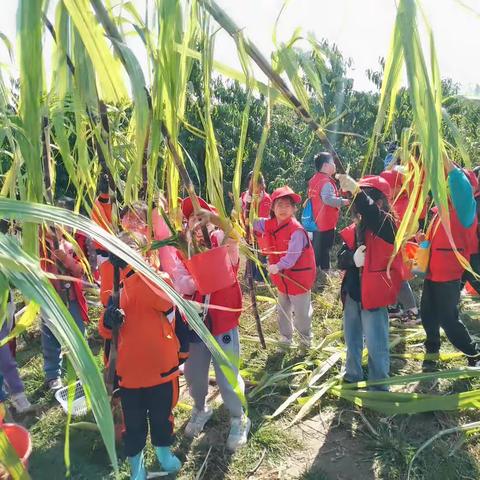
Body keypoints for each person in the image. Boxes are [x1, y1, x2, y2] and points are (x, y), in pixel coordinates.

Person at [101, 232, 189, 479]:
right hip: (128, 374)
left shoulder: (158, 279)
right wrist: (109, 319)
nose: (126, 254)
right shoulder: (115, 289)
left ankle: (164, 456)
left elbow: (164, 302)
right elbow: (105, 331)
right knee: (133, 424)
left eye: (132, 249)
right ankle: (137, 469)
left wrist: (132, 271)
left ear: (146, 254)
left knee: (163, 416)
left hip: (161, 370)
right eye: (122, 250)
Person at [172, 197, 249, 451]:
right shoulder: (184, 248)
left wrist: (215, 219)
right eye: (191, 217)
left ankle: (239, 417)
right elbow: (179, 278)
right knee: (194, 373)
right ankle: (200, 408)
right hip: (195, 323)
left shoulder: (219, 242)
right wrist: (189, 283)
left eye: (200, 215)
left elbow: (235, 236)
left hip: (223, 321)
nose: (196, 221)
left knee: (227, 373)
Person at [337, 174, 403, 389]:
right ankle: (352, 373)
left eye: (361, 200)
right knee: (352, 338)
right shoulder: (355, 229)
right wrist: (352, 259)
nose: (356, 207)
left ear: (381, 201)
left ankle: (379, 383)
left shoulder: (388, 226)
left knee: (376, 343)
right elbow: (340, 259)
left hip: (373, 296)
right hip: (353, 293)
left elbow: (374, 214)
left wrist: (358, 193)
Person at [419, 159, 480, 368]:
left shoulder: (465, 211)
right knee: (427, 313)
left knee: (448, 319)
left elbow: (458, 182)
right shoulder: (443, 211)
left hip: (448, 274)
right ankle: (432, 350)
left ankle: (472, 351)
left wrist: (441, 158)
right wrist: (422, 242)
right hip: (432, 271)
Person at [253, 186, 316, 350]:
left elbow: (292, 256)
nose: (283, 209)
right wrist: (245, 209)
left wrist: (277, 266)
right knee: (283, 310)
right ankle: (286, 338)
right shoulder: (270, 224)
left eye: (288, 205)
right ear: (272, 208)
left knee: (302, 313)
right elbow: (253, 222)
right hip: (282, 279)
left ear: (294, 209)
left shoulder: (297, 231)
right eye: (279, 205)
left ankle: (305, 340)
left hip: (298, 279)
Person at [40, 225, 89, 390]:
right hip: (50, 301)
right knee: (51, 337)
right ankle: (53, 374)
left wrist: (65, 259)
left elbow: (80, 270)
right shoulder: (38, 248)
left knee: (78, 335)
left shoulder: (69, 247)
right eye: (46, 226)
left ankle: (84, 371)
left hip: (71, 299)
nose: (52, 231)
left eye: (56, 227)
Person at [380, 169, 419, 324]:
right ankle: (394, 306)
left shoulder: (404, 203)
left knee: (400, 279)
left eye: (389, 186)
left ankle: (413, 311)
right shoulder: (393, 201)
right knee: (391, 277)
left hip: (400, 249)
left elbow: (410, 227)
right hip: (392, 248)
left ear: (398, 186)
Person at [307, 152, 349, 284]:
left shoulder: (315, 179)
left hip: (315, 221)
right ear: (325, 165)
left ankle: (315, 270)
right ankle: (324, 273)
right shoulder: (325, 182)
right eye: (332, 163)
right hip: (325, 223)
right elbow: (327, 199)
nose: (335, 165)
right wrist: (345, 201)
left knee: (317, 248)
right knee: (325, 248)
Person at [241, 171, 271, 282]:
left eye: (257, 186)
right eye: (251, 186)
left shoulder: (267, 199)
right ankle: (249, 276)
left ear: (262, 185)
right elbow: (240, 211)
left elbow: (266, 218)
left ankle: (261, 279)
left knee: (262, 255)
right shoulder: (245, 197)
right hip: (248, 232)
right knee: (250, 254)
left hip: (262, 234)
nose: (254, 189)